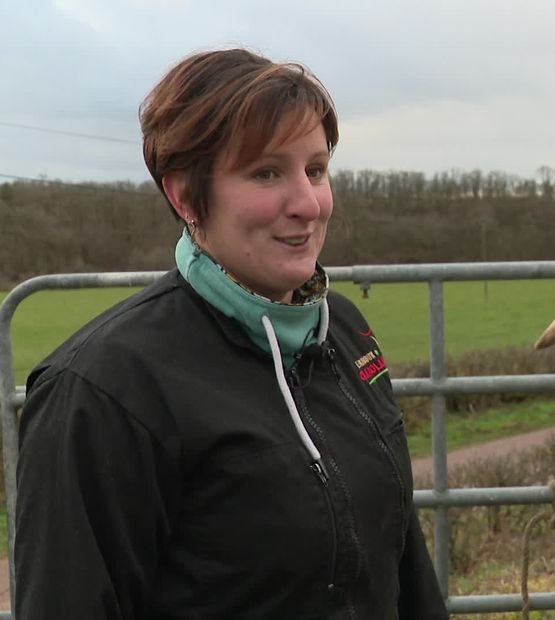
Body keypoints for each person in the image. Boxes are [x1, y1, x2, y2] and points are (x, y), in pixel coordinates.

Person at [14, 47, 449, 619]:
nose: (308, 203)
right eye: (266, 172)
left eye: (316, 169)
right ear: (185, 195)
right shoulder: (103, 389)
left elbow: (402, 567)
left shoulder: (343, 331)